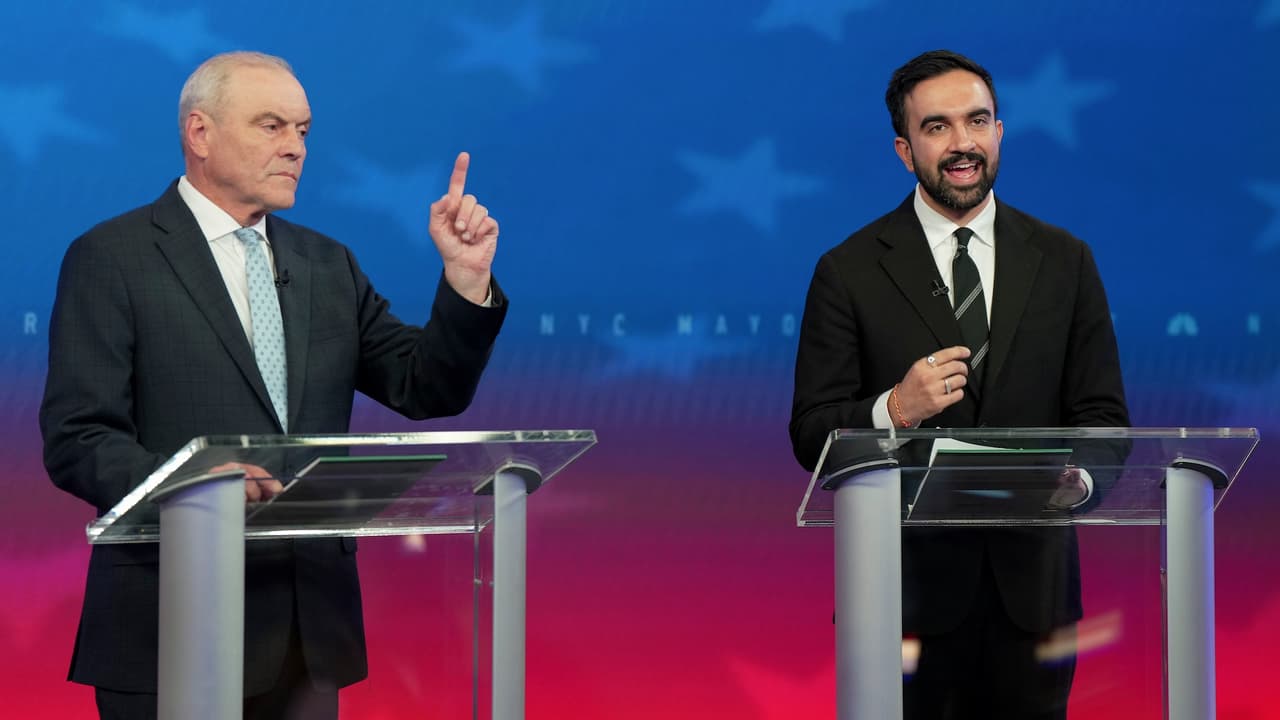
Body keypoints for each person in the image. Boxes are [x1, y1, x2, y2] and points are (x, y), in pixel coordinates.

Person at [39, 51, 507, 719]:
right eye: (272, 126)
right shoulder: (113, 258)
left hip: (307, 635)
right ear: (200, 134)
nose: (296, 148)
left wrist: (465, 283)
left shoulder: (326, 263)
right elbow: (77, 437)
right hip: (171, 625)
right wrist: (193, 485)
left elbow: (424, 385)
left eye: (304, 130)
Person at [789, 49, 1129, 718]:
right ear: (904, 149)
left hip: (1034, 602)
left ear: (999, 131)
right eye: (937, 127)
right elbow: (810, 433)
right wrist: (895, 408)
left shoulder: (1065, 260)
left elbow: (1103, 416)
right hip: (903, 600)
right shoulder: (849, 270)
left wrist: (1078, 483)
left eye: (976, 121)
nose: (961, 144)